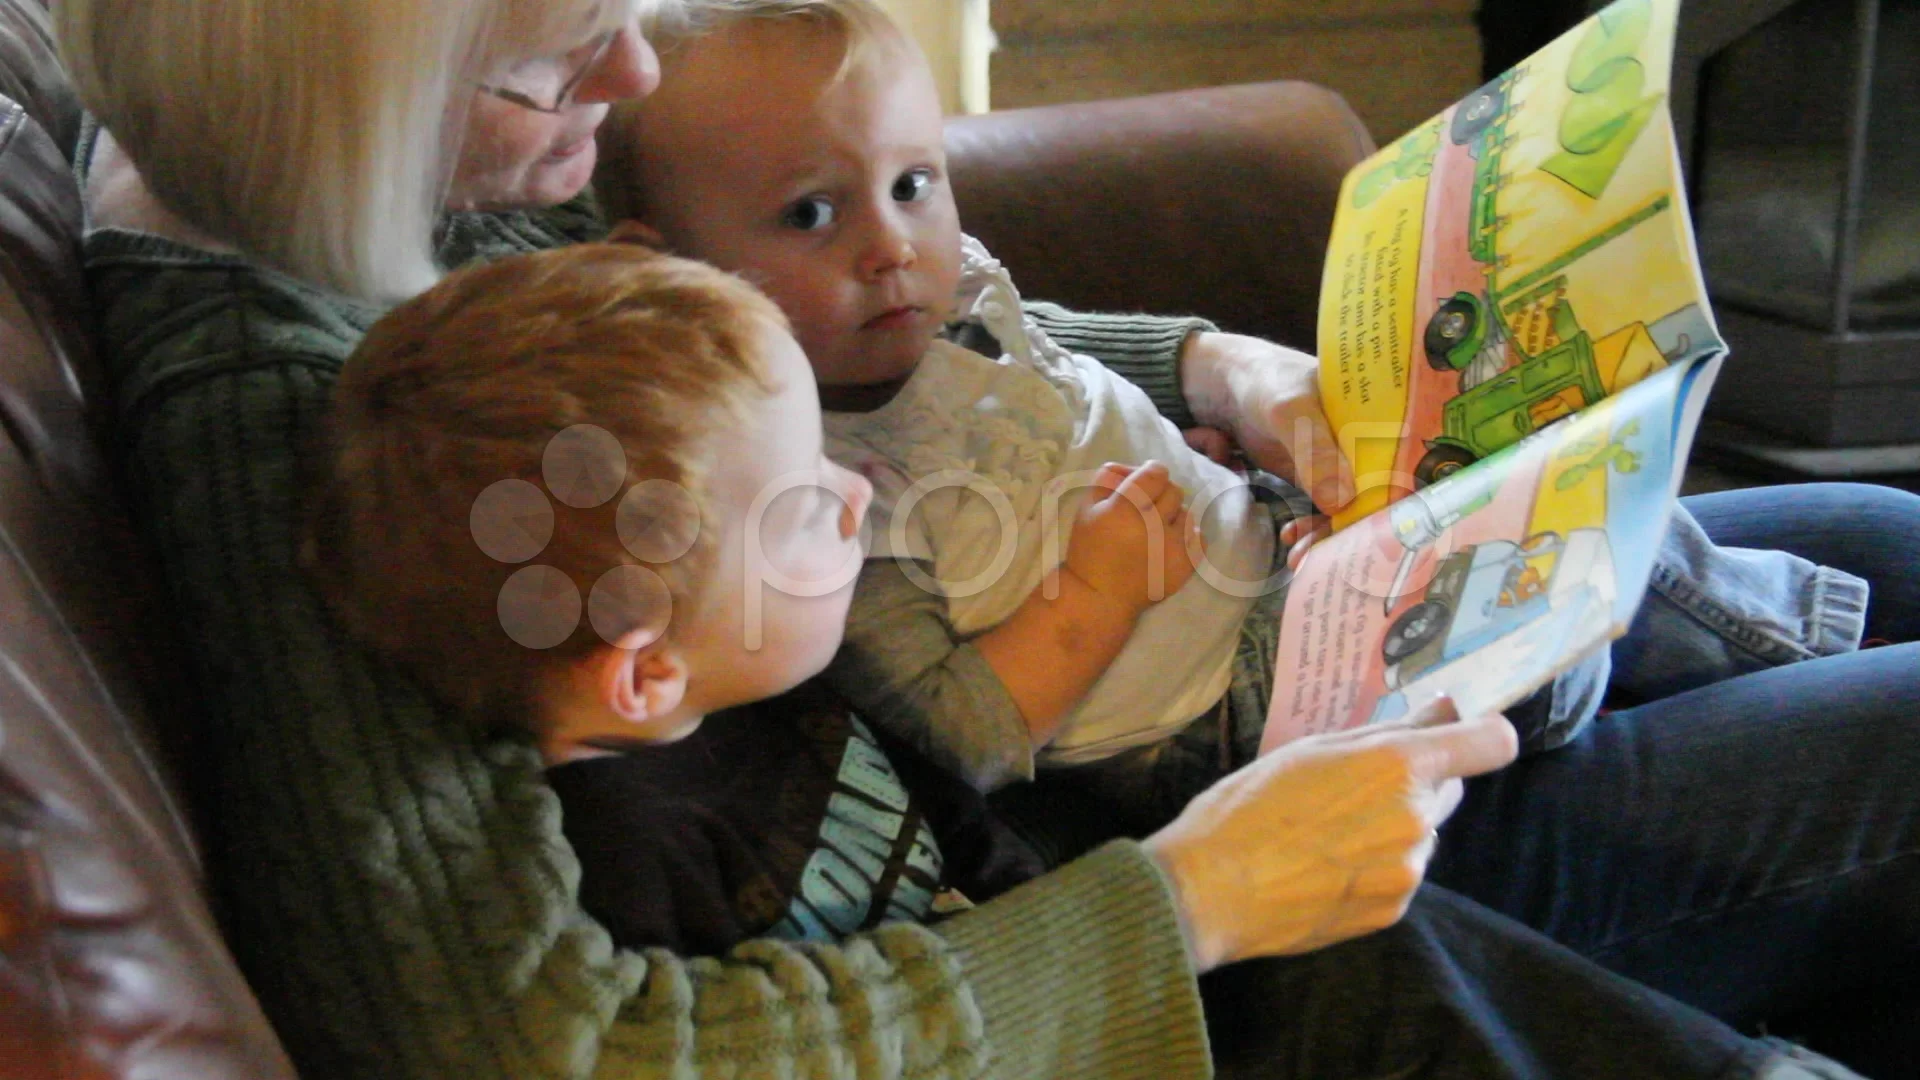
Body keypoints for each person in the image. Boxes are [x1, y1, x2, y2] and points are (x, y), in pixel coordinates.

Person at [52, 0, 1920, 1074]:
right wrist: (1189, 900)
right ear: (350, 104)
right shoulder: (300, 419)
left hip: (1197, 664)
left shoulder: (471, 207)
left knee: (1860, 531)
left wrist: (1219, 364)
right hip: (1164, 838)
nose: (640, 72)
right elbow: (539, 1045)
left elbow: (837, 348)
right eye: (557, 62)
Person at [594, 0, 1874, 828]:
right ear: (667, 268)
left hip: (1261, 557)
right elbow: (953, 736)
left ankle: (1765, 645)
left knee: (1531, 466)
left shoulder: (927, 309)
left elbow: (1058, 349)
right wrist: (1088, 593)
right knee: (1553, 550)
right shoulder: (820, 491)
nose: (892, 249)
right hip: (1220, 714)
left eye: (915, 182)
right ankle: (1779, 661)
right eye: (812, 214)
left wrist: (1217, 371)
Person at [305, 244, 1042, 952]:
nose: (857, 490)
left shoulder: (752, 664)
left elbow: (967, 834)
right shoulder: (628, 876)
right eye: (805, 509)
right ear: (647, 674)